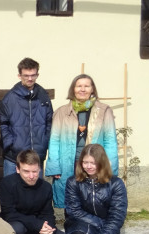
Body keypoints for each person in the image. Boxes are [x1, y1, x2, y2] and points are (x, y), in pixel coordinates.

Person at [45, 74, 118, 209]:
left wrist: (110, 168)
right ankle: (73, 228)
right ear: (73, 89)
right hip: (69, 163)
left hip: (93, 164)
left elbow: (110, 140)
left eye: (86, 86)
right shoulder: (61, 112)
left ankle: (92, 227)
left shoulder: (104, 111)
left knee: (93, 199)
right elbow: (54, 140)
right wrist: (54, 165)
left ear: (92, 89)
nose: (82, 89)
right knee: (70, 199)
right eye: (79, 86)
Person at [0, 150, 68, 234]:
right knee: (18, 229)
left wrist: (48, 227)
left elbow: (48, 213)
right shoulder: (7, 183)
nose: (31, 176)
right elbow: (9, 214)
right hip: (13, 225)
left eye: (34, 171)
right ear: (18, 169)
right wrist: (38, 224)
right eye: (26, 171)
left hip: (33, 229)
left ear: (39, 169)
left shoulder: (45, 187)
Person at [65, 144, 127, 234]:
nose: (88, 166)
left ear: (102, 162)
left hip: (107, 227)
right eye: (85, 162)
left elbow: (117, 216)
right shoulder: (73, 182)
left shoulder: (116, 184)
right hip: (80, 225)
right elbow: (74, 211)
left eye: (93, 163)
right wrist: (102, 225)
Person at [0, 58, 53, 178]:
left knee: (36, 195)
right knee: (11, 193)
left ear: (37, 74)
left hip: (37, 157)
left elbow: (49, 122)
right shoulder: (10, 98)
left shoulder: (43, 96)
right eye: (26, 75)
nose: (30, 79)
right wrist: (10, 144)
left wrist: (45, 142)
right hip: (13, 158)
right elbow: (2, 124)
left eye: (33, 75)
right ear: (19, 75)